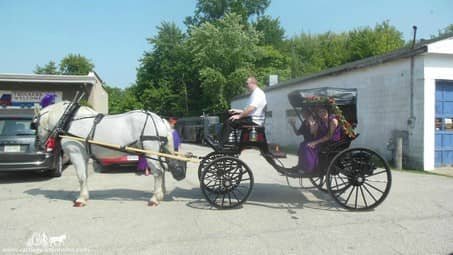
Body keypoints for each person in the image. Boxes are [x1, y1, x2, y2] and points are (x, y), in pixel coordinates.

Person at [220, 76, 267, 144]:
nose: (246, 86)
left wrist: (239, 116)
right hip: (251, 118)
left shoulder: (258, 93)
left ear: (253, 83)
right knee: (228, 114)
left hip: (254, 120)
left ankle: (221, 144)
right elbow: (250, 110)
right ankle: (221, 140)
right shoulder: (254, 94)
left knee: (230, 121)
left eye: (247, 83)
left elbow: (251, 109)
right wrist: (236, 111)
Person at [296, 105, 342, 173]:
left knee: (308, 146)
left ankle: (310, 168)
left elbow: (329, 136)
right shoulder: (320, 121)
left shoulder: (333, 121)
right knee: (303, 145)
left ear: (328, 111)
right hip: (322, 140)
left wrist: (315, 142)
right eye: (320, 112)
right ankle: (302, 166)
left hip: (331, 142)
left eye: (324, 111)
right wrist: (311, 125)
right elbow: (313, 132)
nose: (322, 113)